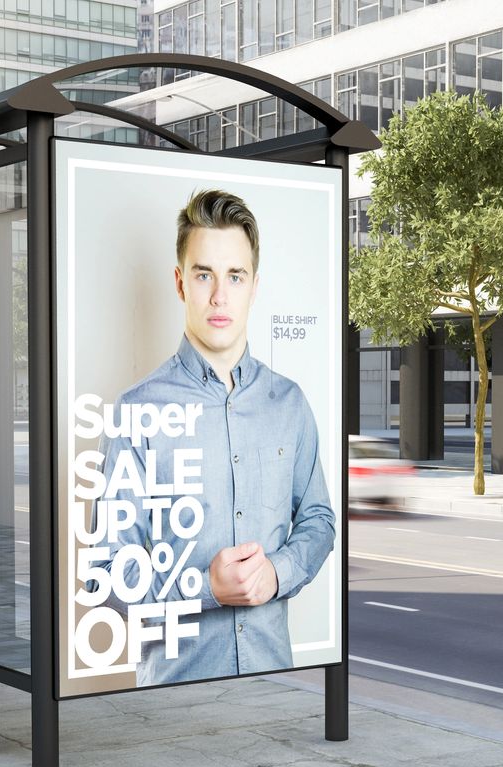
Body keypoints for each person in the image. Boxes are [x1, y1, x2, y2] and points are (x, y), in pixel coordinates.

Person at [95, 188, 335, 686]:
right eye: (204, 275)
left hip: (275, 686)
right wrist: (204, 587)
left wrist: (278, 572)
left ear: (254, 286)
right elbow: (107, 576)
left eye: (235, 276)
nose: (220, 296)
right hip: (172, 701)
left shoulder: (289, 403)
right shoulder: (138, 411)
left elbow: (318, 520)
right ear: (181, 283)